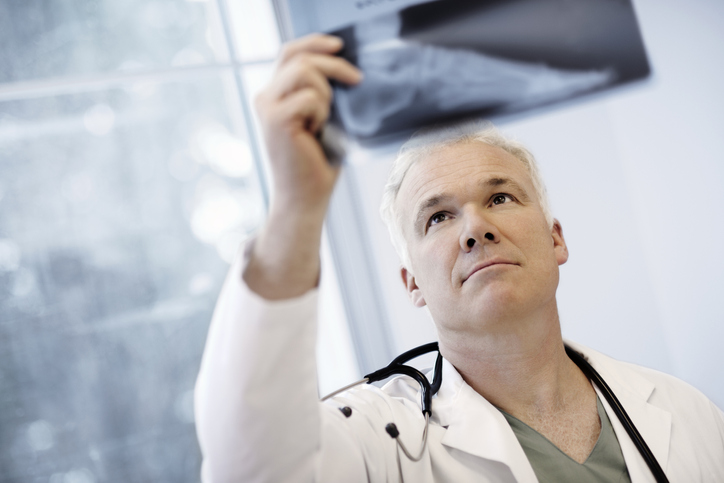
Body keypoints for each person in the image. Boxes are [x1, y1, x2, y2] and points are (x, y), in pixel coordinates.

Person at [194, 34, 724, 483]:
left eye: (499, 198)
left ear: (556, 239)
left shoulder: (685, 413)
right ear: (412, 284)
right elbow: (252, 465)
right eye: (438, 218)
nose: (475, 229)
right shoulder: (380, 444)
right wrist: (294, 208)